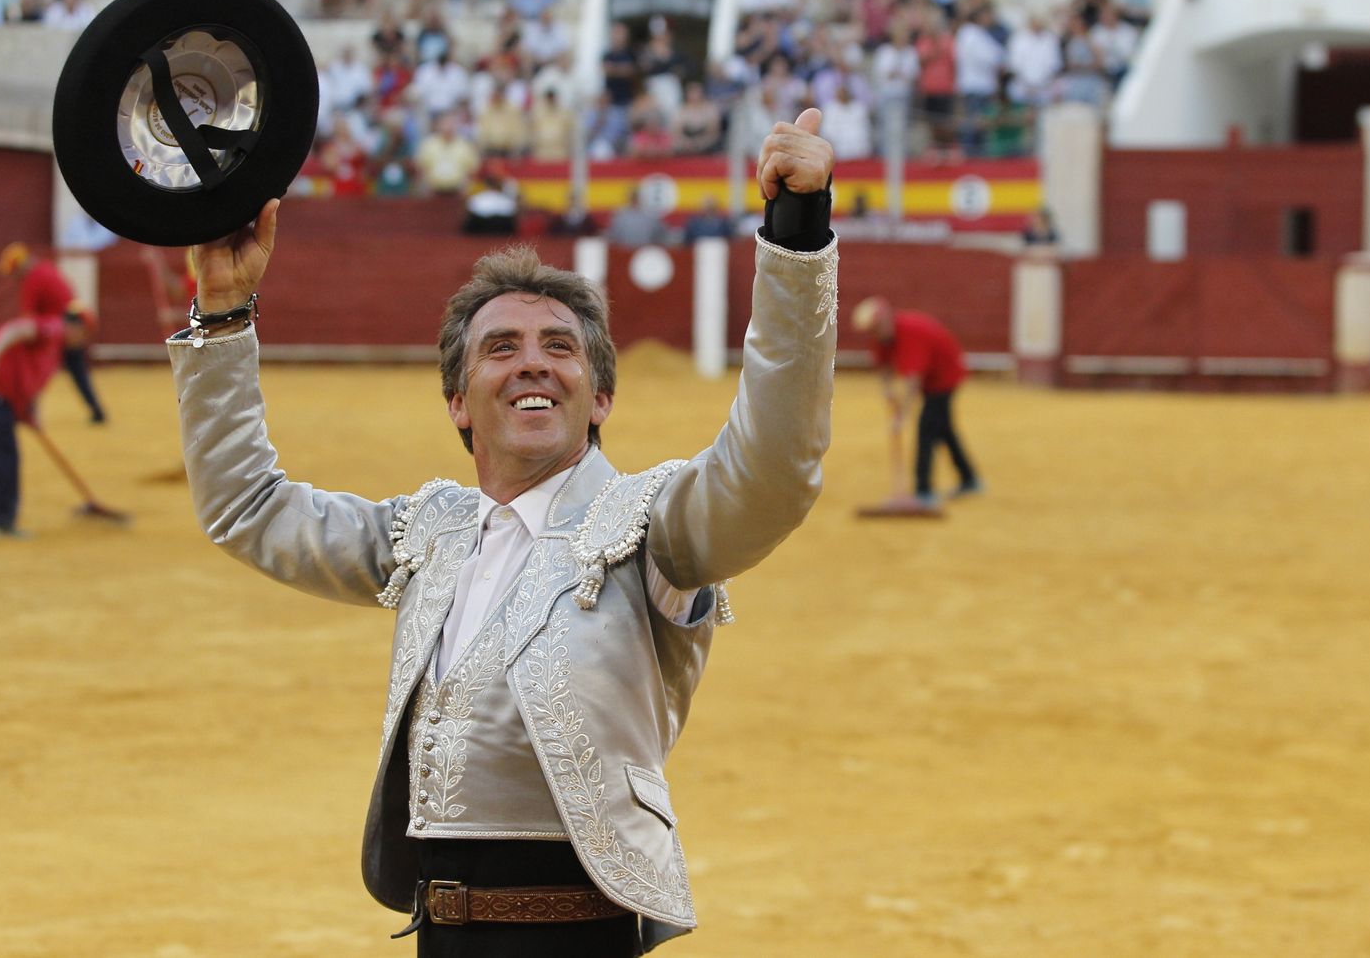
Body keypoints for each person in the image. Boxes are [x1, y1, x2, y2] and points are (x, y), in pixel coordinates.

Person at [166, 110, 838, 956]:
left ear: (598, 400)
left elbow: (773, 469)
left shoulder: (650, 526)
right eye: (501, 347)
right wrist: (224, 310)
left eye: (562, 347)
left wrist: (797, 238)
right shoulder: (429, 532)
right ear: (458, 401)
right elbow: (248, 507)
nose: (532, 362)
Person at [852, 296, 981, 505]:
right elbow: (884, 367)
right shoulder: (883, 335)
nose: (873, 334)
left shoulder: (909, 333)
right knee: (943, 429)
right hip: (931, 378)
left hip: (945, 377)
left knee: (927, 428)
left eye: (875, 329)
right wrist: (888, 393)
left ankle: (924, 491)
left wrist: (901, 415)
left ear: (884, 321)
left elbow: (912, 381)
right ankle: (969, 479)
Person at [0, 310, 69, 538]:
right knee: (5, 457)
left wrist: (32, 413)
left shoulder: (55, 345)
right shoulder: (54, 329)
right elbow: (15, 330)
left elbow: (32, 381)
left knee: (4, 456)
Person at [0, 242, 107, 424]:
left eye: (13, 270)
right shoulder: (45, 268)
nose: (13, 276)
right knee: (77, 371)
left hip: (58, 330)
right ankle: (97, 410)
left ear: (19, 266)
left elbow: (28, 318)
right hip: (72, 324)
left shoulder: (32, 279)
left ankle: (27, 408)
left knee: (36, 368)